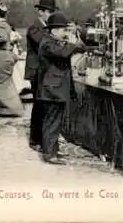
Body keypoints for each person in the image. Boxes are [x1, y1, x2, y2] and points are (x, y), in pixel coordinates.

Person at [36, 12, 86, 165]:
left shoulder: (54, 41)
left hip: (56, 89)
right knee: (51, 121)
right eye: (63, 29)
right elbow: (64, 53)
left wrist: (78, 40)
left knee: (56, 121)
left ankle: (53, 150)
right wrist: (71, 42)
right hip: (51, 90)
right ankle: (49, 154)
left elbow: (78, 49)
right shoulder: (47, 43)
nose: (65, 32)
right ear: (54, 30)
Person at [25, 0, 58, 151]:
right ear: (41, 12)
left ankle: (43, 138)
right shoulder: (34, 28)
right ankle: (35, 139)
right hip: (36, 71)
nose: (50, 15)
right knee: (39, 104)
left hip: (44, 71)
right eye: (48, 12)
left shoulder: (46, 28)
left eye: (51, 12)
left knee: (44, 104)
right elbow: (45, 45)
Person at [0, 1, 24, 117]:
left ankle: (13, 109)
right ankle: (2, 110)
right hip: (2, 56)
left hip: (1, 56)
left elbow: (4, 38)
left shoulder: (0, 25)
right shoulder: (3, 25)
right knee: (1, 82)